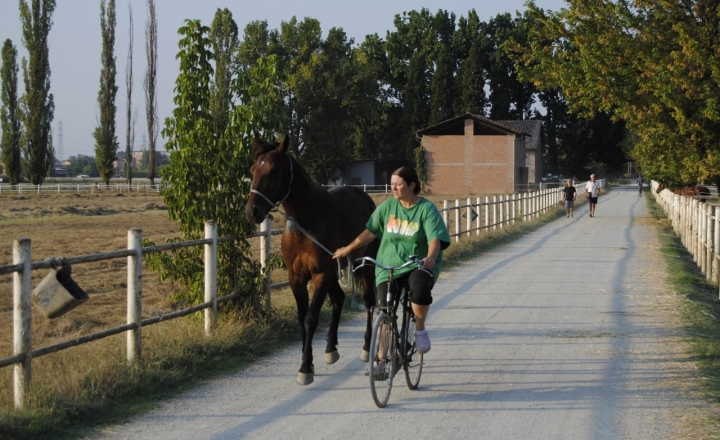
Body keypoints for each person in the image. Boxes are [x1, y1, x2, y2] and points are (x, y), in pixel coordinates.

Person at [333, 167, 450, 377]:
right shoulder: (387, 207)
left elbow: (435, 238)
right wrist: (348, 249)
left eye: (398, 183)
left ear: (412, 185)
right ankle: (380, 359)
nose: (393, 187)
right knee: (385, 311)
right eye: (392, 183)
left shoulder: (426, 209)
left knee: (420, 292)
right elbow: (370, 232)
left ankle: (420, 328)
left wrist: (431, 256)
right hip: (388, 265)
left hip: (417, 263)